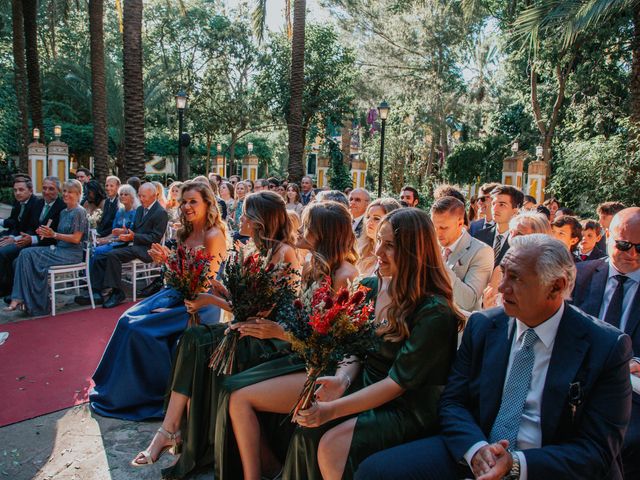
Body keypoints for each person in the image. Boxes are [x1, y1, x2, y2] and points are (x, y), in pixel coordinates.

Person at [357, 234, 633, 480]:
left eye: (516, 279)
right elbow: (453, 402)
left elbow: (597, 449)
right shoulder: (484, 326)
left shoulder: (605, 346)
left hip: (545, 465)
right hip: (478, 450)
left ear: (556, 287)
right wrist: (476, 450)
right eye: (504, 275)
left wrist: (516, 464)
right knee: (375, 471)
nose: (501, 289)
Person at [226, 208, 461, 480]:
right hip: (362, 383)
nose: (379, 253)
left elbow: (397, 384)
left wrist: (332, 410)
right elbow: (352, 346)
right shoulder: (372, 287)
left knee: (330, 444)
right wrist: (342, 380)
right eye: (379, 243)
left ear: (415, 251)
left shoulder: (434, 312)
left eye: (391, 246)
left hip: (405, 408)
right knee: (306, 424)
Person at [131, 191, 301, 474]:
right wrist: (221, 290)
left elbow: (261, 311)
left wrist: (211, 299)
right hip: (248, 329)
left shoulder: (284, 252)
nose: (241, 218)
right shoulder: (261, 250)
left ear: (261, 219)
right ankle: (170, 428)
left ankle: (171, 431)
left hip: (270, 340)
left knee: (197, 340)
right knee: (193, 338)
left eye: (246, 214)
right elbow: (247, 303)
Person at [90, 181, 227, 422]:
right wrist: (167, 261)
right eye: (184, 202)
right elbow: (180, 271)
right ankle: (116, 390)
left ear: (208, 203)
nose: (186, 206)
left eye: (193, 201)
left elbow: (205, 282)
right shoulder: (184, 231)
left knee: (139, 329)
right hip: (176, 292)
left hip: (198, 303)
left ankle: (152, 396)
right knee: (126, 320)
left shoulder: (213, 234)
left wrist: (169, 265)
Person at [571, 207, 640, 478]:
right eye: (624, 245)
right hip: (577, 386)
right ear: (607, 236)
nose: (632, 254)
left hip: (632, 397)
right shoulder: (578, 275)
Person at [75, 182, 168, 309]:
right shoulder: (141, 209)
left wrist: (133, 236)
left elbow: (155, 238)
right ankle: (97, 292)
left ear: (154, 196)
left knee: (113, 255)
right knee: (100, 255)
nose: (140, 199)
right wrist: (124, 232)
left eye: (144, 196)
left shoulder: (160, 212)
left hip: (148, 250)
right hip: (135, 244)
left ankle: (117, 292)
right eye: (139, 195)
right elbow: (134, 230)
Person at [6, 180, 88, 315]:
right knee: (25, 254)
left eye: (70, 192)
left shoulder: (79, 212)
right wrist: (45, 233)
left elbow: (76, 239)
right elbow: (56, 235)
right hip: (58, 250)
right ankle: (22, 298)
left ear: (79, 194)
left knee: (27, 254)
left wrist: (54, 234)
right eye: (65, 191)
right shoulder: (64, 212)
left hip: (71, 254)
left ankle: (28, 301)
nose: (66, 194)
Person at [0, 176, 64, 296]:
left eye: (51, 188)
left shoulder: (62, 208)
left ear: (58, 191)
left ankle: (12, 292)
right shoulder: (39, 204)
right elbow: (30, 226)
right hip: (28, 240)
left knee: (6, 254)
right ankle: (9, 290)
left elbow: (56, 234)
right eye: (44, 188)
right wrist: (19, 238)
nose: (46, 192)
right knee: (5, 250)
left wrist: (31, 240)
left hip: (47, 245)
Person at [431, 196, 493, 313]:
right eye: (434, 227)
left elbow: (469, 301)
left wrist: (438, 264)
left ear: (460, 223)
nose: (437, 233)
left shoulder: (482, 251)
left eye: (443, 228)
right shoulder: (433, 245)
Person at [482, 211, 551, 309]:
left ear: (539, 237)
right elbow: (489, 308)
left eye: (519, 233)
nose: (512, 238)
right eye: (511, 232)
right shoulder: (500, 270)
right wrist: (488, 305)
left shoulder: (549, 274)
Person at [473, 185, 524, 268]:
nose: (495, 208)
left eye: (502, 205)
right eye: (493, 204)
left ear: (515, 211)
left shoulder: (521, 242)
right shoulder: (479, 237)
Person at [92, 184, 139, 261]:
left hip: (126, 244)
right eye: (120, 194)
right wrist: (103, 239)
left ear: (132, 197)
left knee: (97, 251)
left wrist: (108, 241)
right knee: (93, 247)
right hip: (115, 241)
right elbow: (114, 232)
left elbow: (131, 236)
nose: (122, 196)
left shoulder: (136, 213)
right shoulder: (120, 211)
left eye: (126, 194)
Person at [356, 198, 401, 277]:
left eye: (376, 218)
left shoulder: (393, 255)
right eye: (367, 217)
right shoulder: (359, 247)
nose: (369, 222)